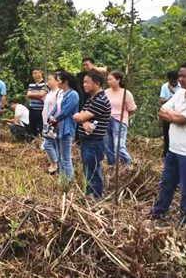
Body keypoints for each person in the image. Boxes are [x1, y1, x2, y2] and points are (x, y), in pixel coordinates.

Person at [150, 62, 186, 224]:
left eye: (184, 76)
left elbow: (179, 119)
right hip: (173, 150)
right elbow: (162, 111)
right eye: (179, 76)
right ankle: (158, 213)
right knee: (166, 184)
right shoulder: (180, 93)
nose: (180, 79)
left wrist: (174, 115)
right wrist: (175, 114)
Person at [73, 71, 111, 199]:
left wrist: (81, 118)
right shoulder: (92, 99)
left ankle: (96, 199)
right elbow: (80, 114)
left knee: (93, 172)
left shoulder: (100, 100)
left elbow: (79, 116)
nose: (84, 85)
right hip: (87, 141)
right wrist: (83, 120)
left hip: (94, 142)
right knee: (88, 171)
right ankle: (89, 196)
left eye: (86, 82)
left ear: (97, 83)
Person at [48, 72, 80, 180]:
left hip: (66, 128)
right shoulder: (62, 93)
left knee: (65, 157)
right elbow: (56, 107)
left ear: (65, 81)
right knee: (60, 157)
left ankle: (69, 180)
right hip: (57, 128)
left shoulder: (73, 94)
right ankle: (62, 179)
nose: (57, 82)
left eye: (58, 80)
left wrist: (55, 118)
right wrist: (50, 115)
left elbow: (66, 111)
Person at [104, 71, 136, 166]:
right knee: (107, 146)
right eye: (108, 80)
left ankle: (127, 165)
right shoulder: (105, 92)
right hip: (106, 120)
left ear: (118, 80)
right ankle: (112, 166)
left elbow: (131, 109)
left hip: (119, 121)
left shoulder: (126, 93)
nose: (108, 81)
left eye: (111, 79)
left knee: (118, 147)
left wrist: (124, 118)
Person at [42, 73, 63, 174]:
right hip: (47, 123)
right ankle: (54, 164)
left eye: (50, 80)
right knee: (51, 144)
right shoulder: (49, 92)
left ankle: (55, 164)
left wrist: (54, 119)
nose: (48, 82)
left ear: (57, 81)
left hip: (54, 123)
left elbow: (59, 108)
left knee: (48, 144)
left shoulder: (59, 93)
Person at [160, 70, 181, 157]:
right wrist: (172, 99)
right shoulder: (165, 86)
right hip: (168, 114)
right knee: (167, 134)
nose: (174, 82)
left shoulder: (182, 87)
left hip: (179, 114)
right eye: (172, 81)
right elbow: (161, 100)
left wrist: (173, 92)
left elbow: (182, 99)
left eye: (176, 80)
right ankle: (166, 153)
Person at [26, 68, 47, 138]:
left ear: (40, 73)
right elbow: (28, 95)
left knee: (41, 126)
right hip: (32, 108)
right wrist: (39, 96)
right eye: (33, 73)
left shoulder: (45, 84)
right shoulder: (31, 85)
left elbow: (42, 94)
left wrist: (33, 95)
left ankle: (41, 141)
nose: (34, 75)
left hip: (41, 108)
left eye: (35, 73)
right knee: (32, 126)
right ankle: (32, 140)